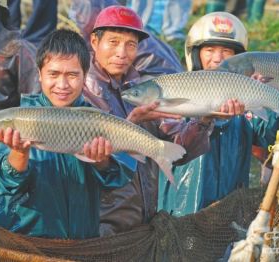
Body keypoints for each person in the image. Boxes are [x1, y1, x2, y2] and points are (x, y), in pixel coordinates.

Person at [0, 29, 134, 239]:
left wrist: (102, 162)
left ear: (85, 75)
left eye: (72, 75)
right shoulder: (17, 118)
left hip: (80, 242)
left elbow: (119, 180)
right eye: (53, 74)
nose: (62, 85)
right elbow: (0, 185)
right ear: (39, 74)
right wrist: (18, 154)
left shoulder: (99, 120)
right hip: (24, 238)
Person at [83, 5, 217, 236]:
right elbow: (88, 157)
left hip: (143, 219)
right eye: (113, 42)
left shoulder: (146, 90)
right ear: (95, 42)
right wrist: (131, 124)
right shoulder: (81, 93)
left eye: (131, 45)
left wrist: (204, 119)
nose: (122, 53)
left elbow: (181, 151)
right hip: (99, 222)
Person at [159, 12, 279, 216]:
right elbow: (173, 146)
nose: (217, 58)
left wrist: (265, 98)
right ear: (195, 54)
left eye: (226, 51)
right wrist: (206, 118)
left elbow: (268, 136)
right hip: (184, 209)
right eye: (209, 49)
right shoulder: (178, 95)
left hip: (230, 209)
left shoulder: (245, 98)